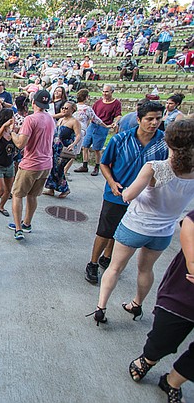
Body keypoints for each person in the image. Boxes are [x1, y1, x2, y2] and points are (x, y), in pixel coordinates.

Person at [89, 119, 194, 326]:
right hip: (163, 231)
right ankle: (137, 304)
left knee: (115, 268)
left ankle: (101, 308)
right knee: (146, 269)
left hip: (136, 225)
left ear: (169, 142)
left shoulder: (155, 167)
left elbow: (128, 195)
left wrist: (126, 190)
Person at [83, 101, 169, 286]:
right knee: (105, 231)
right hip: (116, 194)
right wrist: (112, 183)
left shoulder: (163, 143)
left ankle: (108, 257)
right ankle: (93, 262)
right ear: (138, 119)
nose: (154, 123)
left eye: (158, 119)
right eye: (149, 119)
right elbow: (105, 164)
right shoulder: (120, 140)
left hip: (144, 199)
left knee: (121, 233)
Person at [127, 210, 194, 403]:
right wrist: (192, 263)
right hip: (186, 293)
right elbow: (189, 222)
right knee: (164, 336)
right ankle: (149, 358)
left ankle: (173, 381)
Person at [8, 90, 55, 241]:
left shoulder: (30, 119)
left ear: (33, 102)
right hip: (46, 163)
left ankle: (18, 228)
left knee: (17, 194)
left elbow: (21, 144)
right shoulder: (50, 118)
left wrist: (12, 134)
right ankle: (27, 223)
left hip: (31, 164)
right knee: (33, 195)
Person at [75, 84, 122, 176]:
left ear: (112, 92)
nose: (104, 93)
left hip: (103, 127)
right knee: (85, 146)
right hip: (93, 125)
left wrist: (115, 122)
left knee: (97, 148)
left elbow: (118, 115)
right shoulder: (98, 102)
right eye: (103, 91)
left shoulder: (116, 103)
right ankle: (85, 165)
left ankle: (97, 166)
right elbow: (92, 114)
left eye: (106, 91)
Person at [43, 101, 82, 198]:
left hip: (65, 148)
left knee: (59, 168)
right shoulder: (60, 119)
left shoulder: (74, 121)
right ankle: (51, 188)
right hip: (55, 147)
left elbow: (78, 135)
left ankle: (65, 188)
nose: (64, 110)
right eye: (63, 108)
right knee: (53, 167)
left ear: (72, 110)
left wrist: (73, 144)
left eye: (66, 108)